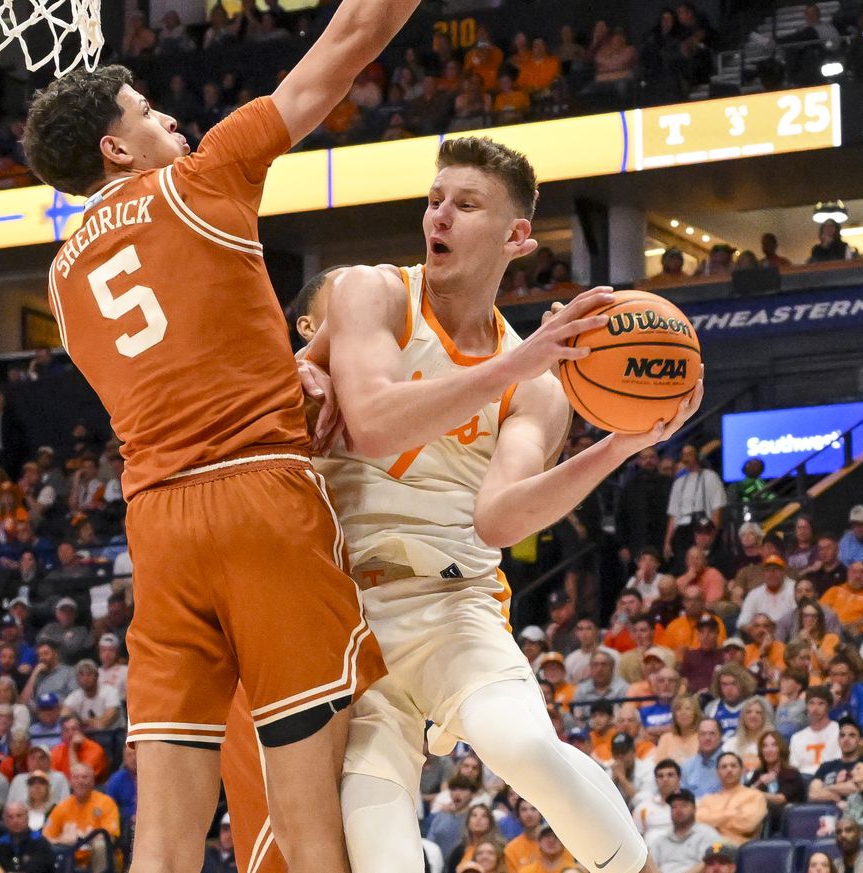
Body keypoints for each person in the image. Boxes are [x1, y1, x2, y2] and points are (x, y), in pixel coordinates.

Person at [20, 0, 439, 854]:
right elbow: (350, 38)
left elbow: (177, 351)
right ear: (114, 146)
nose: (170, 119)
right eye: (146, 112)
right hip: (259, 499)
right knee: (308, 818)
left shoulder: (61, 280)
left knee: (163, 843)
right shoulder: (205, 176)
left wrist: (290, 361)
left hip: (159, 530)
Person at [257, 136, 702, 873]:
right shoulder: (375, 292)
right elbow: (370, 425)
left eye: (466, 204)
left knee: (524, 745)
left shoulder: (541, 384)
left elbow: (500, 519)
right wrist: (519, 360)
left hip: (454, 608)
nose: (441, 216)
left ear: (516, 236)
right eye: (435, 200)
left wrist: (620, 445)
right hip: (346, 627)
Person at [694, 752, 767, 845]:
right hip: (708, 848)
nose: (729, 769)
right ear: (717, 772)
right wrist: (731, 814)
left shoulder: (754, 795)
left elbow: (748, 824)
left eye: (733, 766)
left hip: (739, 849)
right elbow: (698, 822)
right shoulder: (708, 799)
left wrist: (715, 823)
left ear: (742, 770)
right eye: (724, 767)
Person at [646, 788, 718, 873]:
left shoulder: (707, 834)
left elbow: (708, 863)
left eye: (683, 805)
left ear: (694, 808)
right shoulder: (660, 840)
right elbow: (650, 866)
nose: (678, 810)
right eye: (674, 807)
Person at [0, 802, 53, 873]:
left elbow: (39, 869)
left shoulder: (40, 842)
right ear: (5, 822)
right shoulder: (0, 843)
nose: (15, 821)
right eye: (10, 817)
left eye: (19, 816)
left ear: (27, 818)